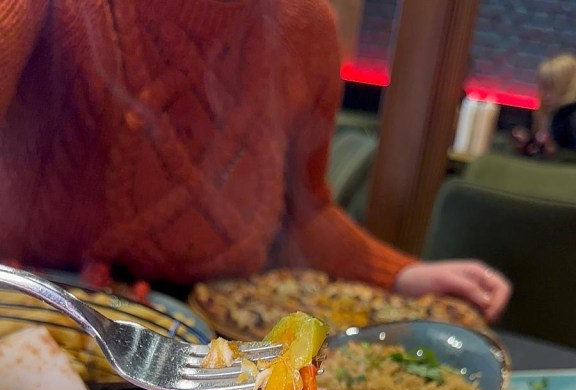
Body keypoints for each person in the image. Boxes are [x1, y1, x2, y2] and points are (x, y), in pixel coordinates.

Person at [0, 0, 510, 323]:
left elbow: (303, 216)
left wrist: (404, 276)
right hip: (43, 315)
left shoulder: (304, 24)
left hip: (221, 340)